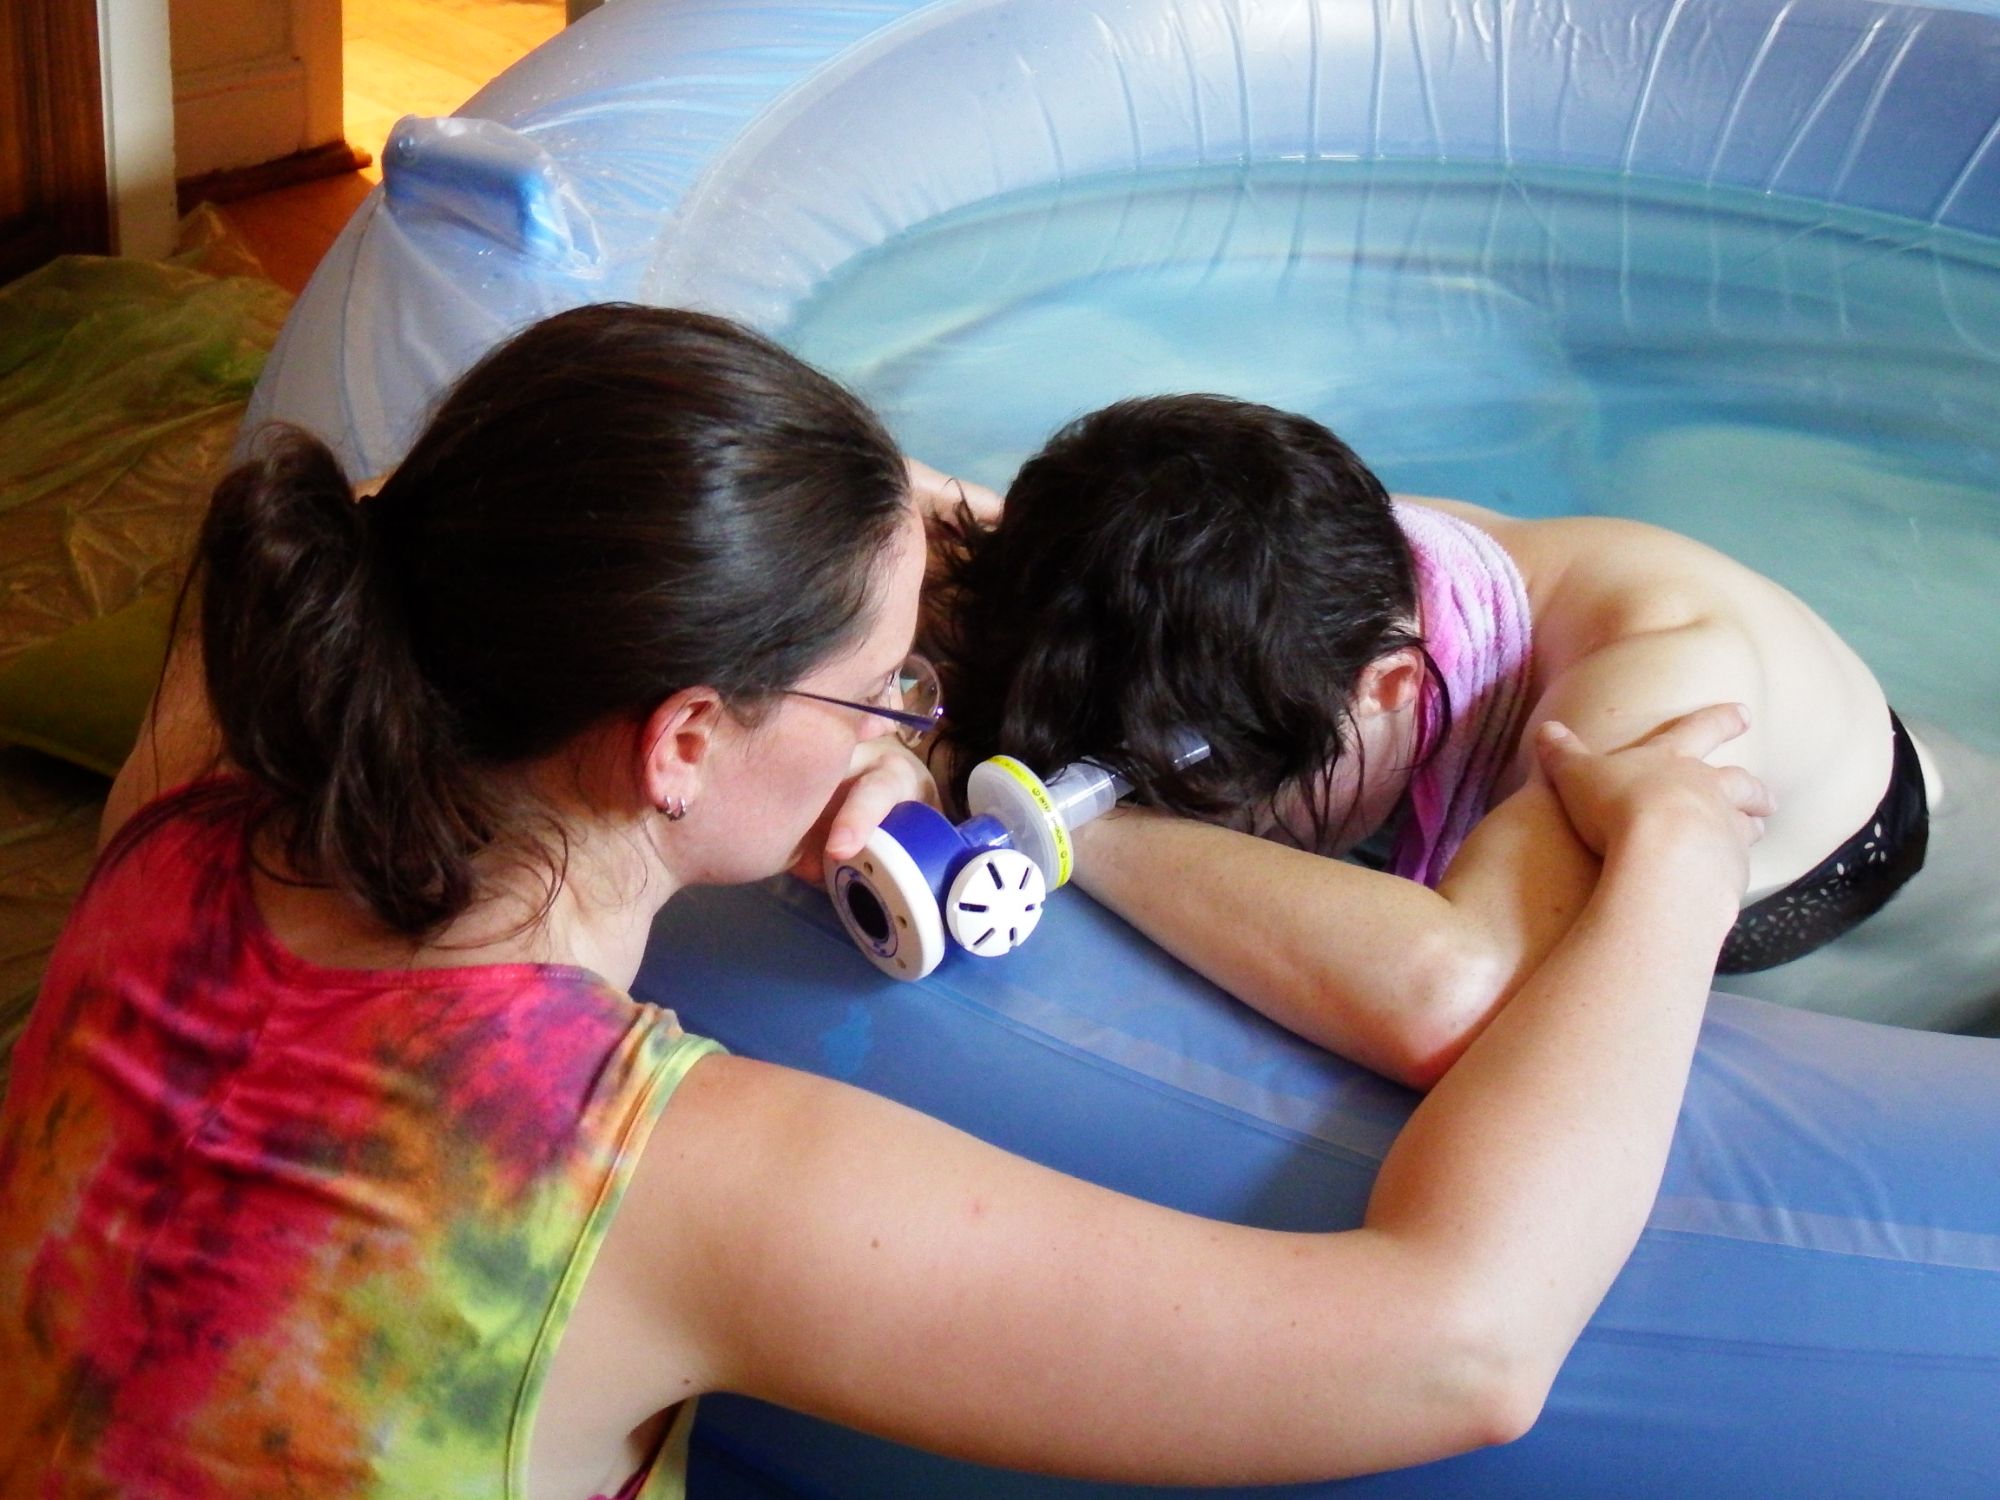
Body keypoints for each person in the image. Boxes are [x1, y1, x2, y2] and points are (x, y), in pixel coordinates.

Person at [0, 305, 1769, 1500]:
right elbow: (1458, 1349)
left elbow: (420, 509)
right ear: (682, 736)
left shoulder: (197, 789)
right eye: (889, 692)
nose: (924, 727)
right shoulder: (661, 1174)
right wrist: (1676, 865)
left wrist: (842, 565)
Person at [934, 394, 1999, 1080]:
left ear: (1394, 686)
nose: (1209, 816)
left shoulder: (1642, 690)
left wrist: (1065, 817)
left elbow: (1452, 996)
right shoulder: (1291, 582)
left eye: (1210, 785)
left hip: (1901, 930)